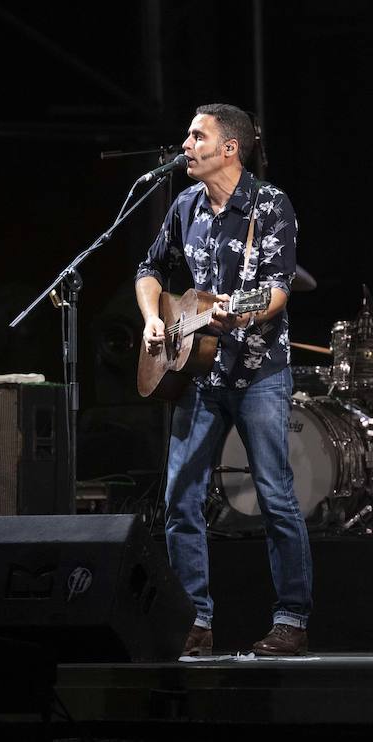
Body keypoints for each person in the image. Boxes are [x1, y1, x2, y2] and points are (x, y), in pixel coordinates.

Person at [135, 103, 312, 657]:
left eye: (196, 136)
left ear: (228, 148)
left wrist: (244, 311)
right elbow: (149, 269)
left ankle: (291, 619)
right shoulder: (184, 204)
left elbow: (279, 288)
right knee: (180, 497)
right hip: (197, 372)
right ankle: (197, 621)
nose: (185, 144)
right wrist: (154, 319)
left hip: (258, 371)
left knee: (275, 496)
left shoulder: (270, 204)